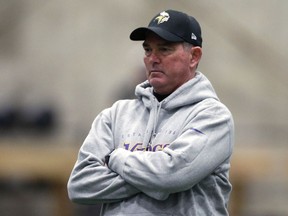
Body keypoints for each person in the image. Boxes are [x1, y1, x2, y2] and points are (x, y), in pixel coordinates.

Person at [67, 9, 235, 216]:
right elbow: (80, 185)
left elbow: (172, 174)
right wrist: (155, 179)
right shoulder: (115, 115)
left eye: (164, 49)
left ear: (194, 56)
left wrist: (116, 159)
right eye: (147, 50)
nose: (152, 59)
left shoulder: (213, 116)